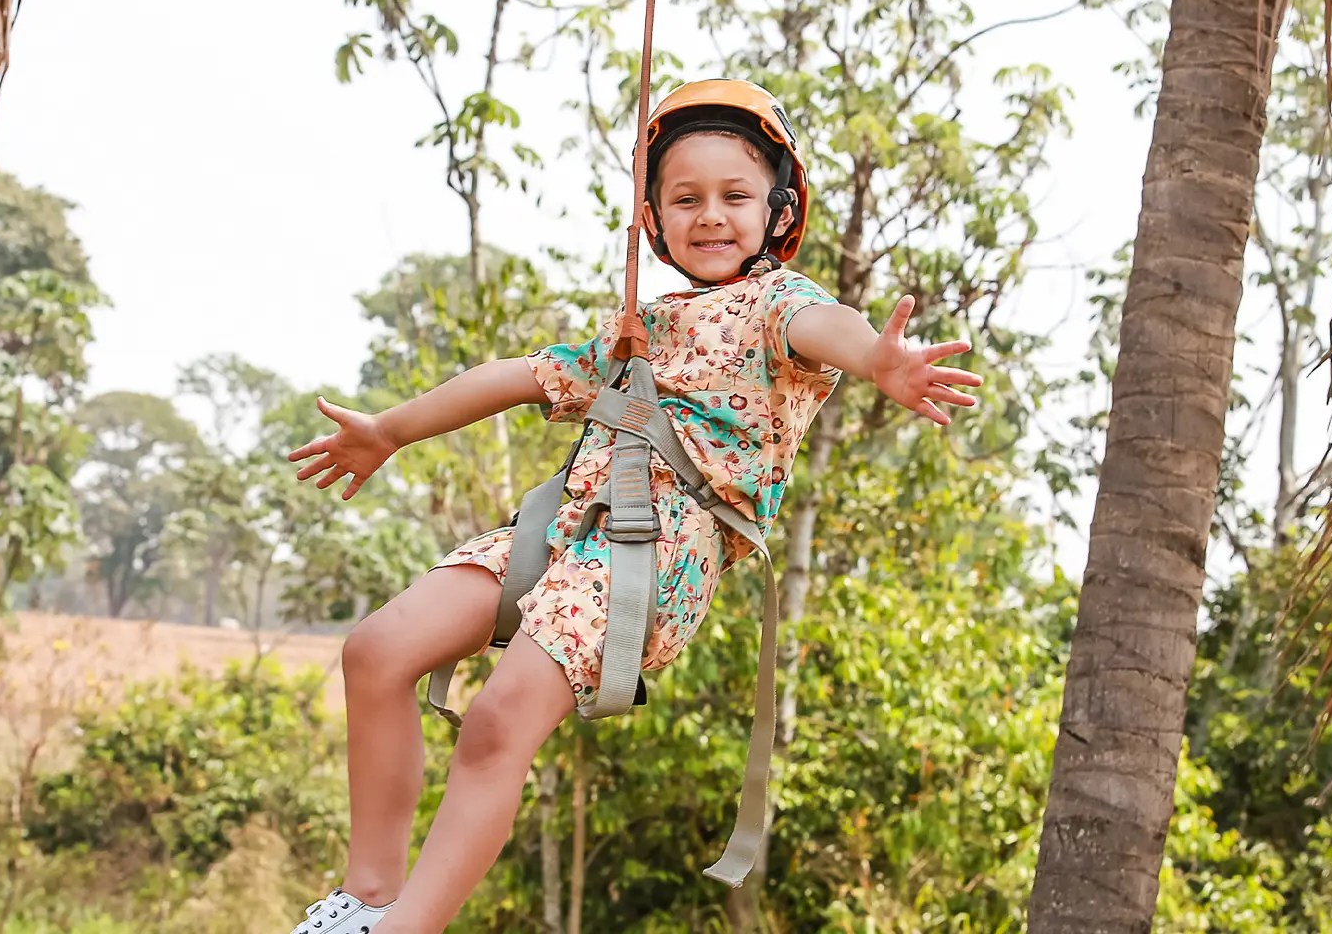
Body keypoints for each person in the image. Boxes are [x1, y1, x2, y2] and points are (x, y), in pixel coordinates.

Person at [281, 79, 984, 934]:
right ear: (653, 218)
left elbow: (829, 327)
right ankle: (367, 899)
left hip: (655, 550)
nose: (711, 215)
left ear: (778, 210)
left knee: (499, 721)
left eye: (736, 196)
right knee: (378, 650)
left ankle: (408, 928)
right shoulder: (639, 328)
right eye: (685, 198)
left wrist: (881, 361)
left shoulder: (776, 306)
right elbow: (519, 377)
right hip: (567, 528)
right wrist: (391, 430)